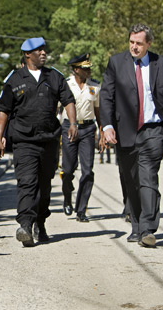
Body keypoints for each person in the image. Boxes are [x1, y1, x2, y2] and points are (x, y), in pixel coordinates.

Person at [99, 24, 163, 248]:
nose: (134, 47)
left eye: (139, 43)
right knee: (130, 180)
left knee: (148, 179)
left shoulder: (161, 64)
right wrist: (106, 126)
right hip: (124, 131)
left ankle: (147, 229)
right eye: (131, 42)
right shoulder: (116, 63)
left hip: (153, 130)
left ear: (148, 44)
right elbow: (107, 97)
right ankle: (135, 225)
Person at [0, 37, 77, 247]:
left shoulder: (54, 77)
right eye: (38, 50)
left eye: (44, 50)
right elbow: (4, 110)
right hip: (24, 141)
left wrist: (73, 123)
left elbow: (68, 100)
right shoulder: (14, 79)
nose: (43, 53)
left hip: (49, 140)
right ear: (27, 54)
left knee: (44, 185)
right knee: (27, 183)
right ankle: (25, 225)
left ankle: (40, 222)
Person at [60, 53, 101, 222]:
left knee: (87, 170)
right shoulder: (66, 85)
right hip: (69, 128)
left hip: (88, 128)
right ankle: (67, 196)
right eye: (85, 68)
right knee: (68, 170)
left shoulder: (95, 86)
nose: (89, 70)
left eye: (89, 67)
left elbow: (98, 110)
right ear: (76, 70)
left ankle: (81, 209)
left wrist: (103, 130)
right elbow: (56, 109)